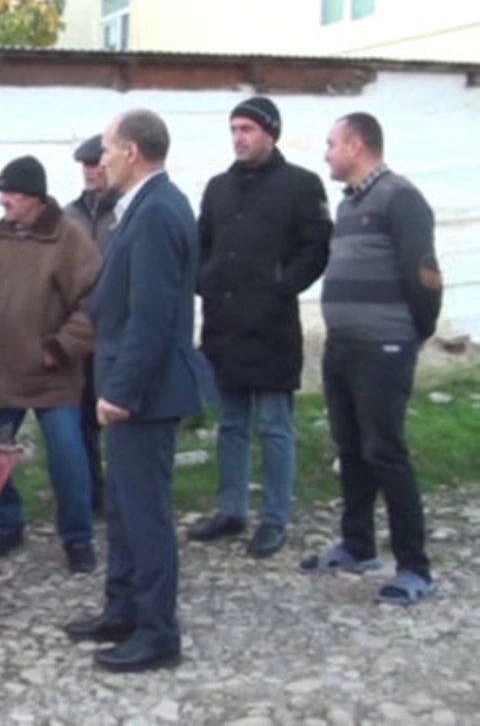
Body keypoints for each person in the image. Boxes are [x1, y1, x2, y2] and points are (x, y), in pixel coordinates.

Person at [64, 110, 212, 673]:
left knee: (145, 513)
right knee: (124, 509)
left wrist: (121, 390)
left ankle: (157, 632)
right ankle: (121, 609)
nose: (100, 160)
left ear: (132, 151)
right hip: (131, 387)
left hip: (144, 394)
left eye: (106, 148)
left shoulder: (157, 212)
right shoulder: (144, 207)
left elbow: (153, 317)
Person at [302, 112, 441, 606]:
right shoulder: (348, 205)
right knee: (352, 449)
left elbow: (423, 275)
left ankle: (414, 568)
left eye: (331, 143)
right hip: (343, 348)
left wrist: (413, 332)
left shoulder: (400, 198)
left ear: (357, 145)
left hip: (383, 349)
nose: (326, 153)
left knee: (386, 452)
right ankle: (358, 543)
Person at [188, 97, 332, 558]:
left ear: (271, 133)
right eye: (234, 128)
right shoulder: (218, 188)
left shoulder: (301, 185)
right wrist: (204, 282)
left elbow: (316, 248)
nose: (238, 137)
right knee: (230, 424)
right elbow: (200, 244)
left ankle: (274, 517)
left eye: (247, 128)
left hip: (271, 326)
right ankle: (231, 510)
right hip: (224, 324)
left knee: (274, 426)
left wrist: (282, 284)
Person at [0, 155, 100, 573]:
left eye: (12, 194)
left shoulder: (70, 240)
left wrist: (60, 349)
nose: (3, 201)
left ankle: (77, 538)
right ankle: (8, 524)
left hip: (51, 373)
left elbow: (93, 303)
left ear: (35, 199)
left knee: (68, 458)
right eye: (1, 193)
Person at [63, 133, 122, 513]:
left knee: (116, 415)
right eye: (85, 166)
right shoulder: (69, 215)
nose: (90, 173)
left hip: (116, 327)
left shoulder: (127, 209)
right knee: (82, 415)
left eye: (96, 165)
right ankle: (91, 491)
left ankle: (121, 491)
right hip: (79, 327)